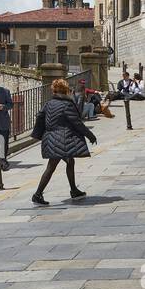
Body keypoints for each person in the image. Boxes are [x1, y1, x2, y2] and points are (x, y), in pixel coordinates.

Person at [31, 78, 97, 206]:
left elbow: (40, 117)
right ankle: (37, 194)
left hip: (50, 137)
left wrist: (39, 135)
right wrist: (90, 135)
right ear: (66, 90)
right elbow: (76, 122)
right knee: (51, 167)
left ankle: (74, 190)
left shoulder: (48, 103)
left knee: (69, 161)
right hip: (62, 139)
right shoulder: (67, 104)